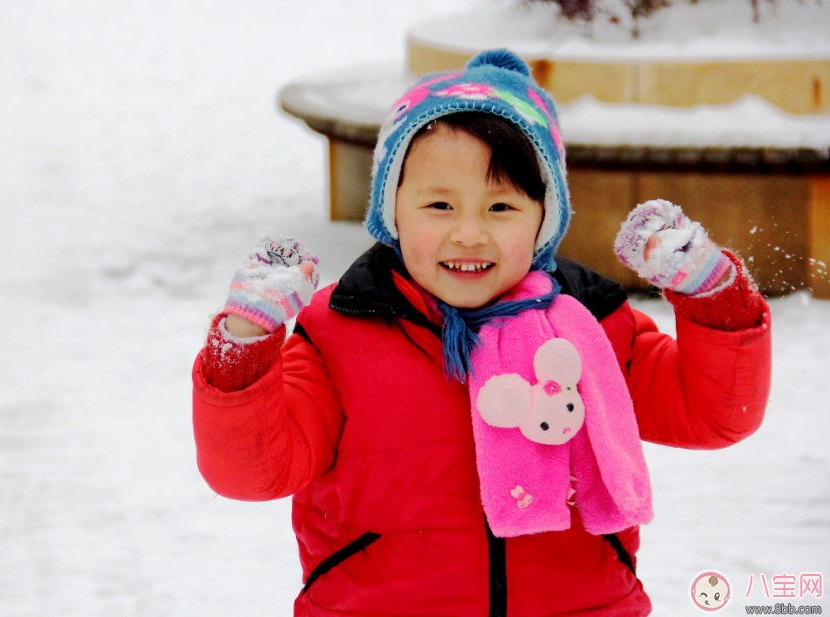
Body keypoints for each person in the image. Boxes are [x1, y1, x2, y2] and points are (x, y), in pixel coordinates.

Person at [191, 49, 771, 616]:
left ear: (545, 217)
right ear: (393, 213)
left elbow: (717, 412)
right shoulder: (338, 335)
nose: (469, 234)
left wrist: (713, 294)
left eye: (501, 208)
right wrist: (246, 343)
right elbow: (252, 472)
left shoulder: (590, 324)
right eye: (439, 205)